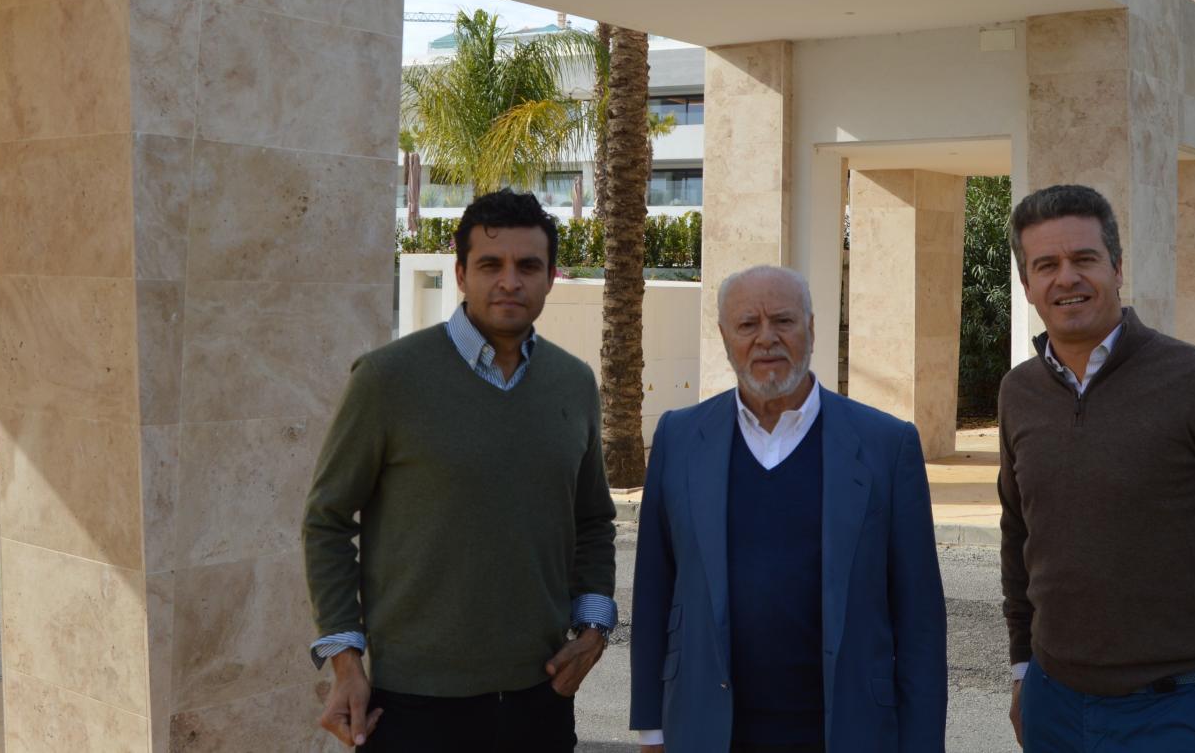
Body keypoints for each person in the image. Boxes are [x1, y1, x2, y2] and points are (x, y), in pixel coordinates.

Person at [303, 190, 617, 751]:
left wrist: (594, 627)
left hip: (541, 699)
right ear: (461, 274)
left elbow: (592, 518)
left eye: (528, 266)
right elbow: (326, 520)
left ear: (550, 278)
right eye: (491, 265)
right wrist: (345, 661)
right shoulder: (387, 379)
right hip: (414, 705)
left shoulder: (574, 384)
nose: (510, 282)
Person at [999, 184, 1195, 753]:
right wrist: (1023, 670)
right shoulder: (1018, 393)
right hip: (1053, 704)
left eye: (1084, 258)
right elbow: (1018, 535)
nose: (1066, 278)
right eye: (1046, 265)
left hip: (1181, 707)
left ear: (1117, 268)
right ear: (1027, 285)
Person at [630, 264, 948, 753]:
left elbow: (919, 619)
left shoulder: (887, 446)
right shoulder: (679, 439)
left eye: (783, 320)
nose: (766, 339)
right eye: (747, 324)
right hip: (710, 733)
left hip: (847, 734)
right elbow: (654, 591)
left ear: (811, 329)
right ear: (724, 337)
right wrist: (652, 729)